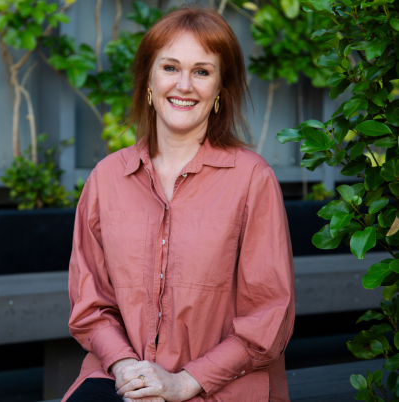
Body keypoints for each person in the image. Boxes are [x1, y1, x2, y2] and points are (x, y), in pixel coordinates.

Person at [62, 5, 295, 402]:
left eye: (202, 72)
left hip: (220, 387)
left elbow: (268, 316)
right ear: (148, 80)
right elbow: (91, 305)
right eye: (170, 68)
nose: (184, 85)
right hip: (122, 382)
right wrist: (125, 368)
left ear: (220, 89)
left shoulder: (252, 179)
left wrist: (183, 381)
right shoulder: (106, 178)